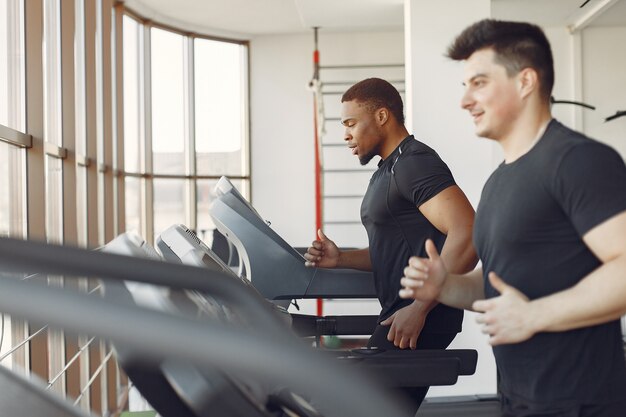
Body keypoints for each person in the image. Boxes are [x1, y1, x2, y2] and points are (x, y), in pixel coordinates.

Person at [400, 19, 626, 416]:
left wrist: (535, 315)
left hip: (582, 401)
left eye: (479, 82)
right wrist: (446, 286)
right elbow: (498, 283)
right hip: (519, 397)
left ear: (525, 82)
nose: (465, 100)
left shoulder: (578, 161)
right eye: (465, 86)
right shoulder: (498, 181)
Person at [304, 77, 478, 408]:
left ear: (382, 116)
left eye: (351, 123)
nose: (345, 134)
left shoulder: (414, 162)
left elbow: (468, 232)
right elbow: (397, 250)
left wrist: (420, 307)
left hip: (416, 316)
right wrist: (341, 259)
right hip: (403, 314)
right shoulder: (389, 168)